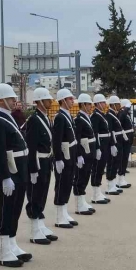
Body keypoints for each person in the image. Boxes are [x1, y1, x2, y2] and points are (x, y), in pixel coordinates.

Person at [0, 83, 32, 265]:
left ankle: (12, 244)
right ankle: (3, 251)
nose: (15, 100)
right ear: (0, 100)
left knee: (15, 209)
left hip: (18, 171)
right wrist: (5, 177)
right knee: (6, 210)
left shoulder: (9, 118)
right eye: (11, 97)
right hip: (9, 173)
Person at [23, 88, 57, 245]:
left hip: (46, 161)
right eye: (48, 99)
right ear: (39, 102)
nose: (50, 101)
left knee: (42, 194)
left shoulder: (46, 118)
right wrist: (33, 169)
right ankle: (35, 231)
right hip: (38, 162)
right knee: (35, 196)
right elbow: (31, 146)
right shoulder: (34, 120)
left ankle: (41, 225)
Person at [52, 88, 79, 228]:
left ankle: (64, 212)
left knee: (68, 184)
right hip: (64, 156)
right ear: (62, 101)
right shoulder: (59, 117)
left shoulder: (68, 115)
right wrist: (58, 158)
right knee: (61, 185)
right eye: (69, 99)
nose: (72, 101)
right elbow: (56, 140)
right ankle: (59, 216)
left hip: (71, 155)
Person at [73, 94, 98, 216]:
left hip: (89, 152)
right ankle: (79, 205)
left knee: (86, 176)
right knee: (80, 178)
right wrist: (78, 155)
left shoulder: (87, 117)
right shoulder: (78, 119)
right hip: (83, 152)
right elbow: (76, 139)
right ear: (82, 105)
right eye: (88, 104)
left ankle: (82, 201)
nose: (90, 107)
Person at [90, 94, 112, 205]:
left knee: (101, 168)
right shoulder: (95, 116)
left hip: (105, 145)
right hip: (101, 145)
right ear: (98, 103)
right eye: (103, 102)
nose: (105, 104)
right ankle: (95, 194)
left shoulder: (101, 115)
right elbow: (95, 133)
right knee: (97, 169)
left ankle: (98, 191)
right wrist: (97, 148)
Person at [105, 96, 124, 194]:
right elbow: (111, 131)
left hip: (118, 142)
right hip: (114, 142)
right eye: (118, 104)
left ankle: (113, 184)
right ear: (113, 105)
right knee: (112, 163)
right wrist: (112, 144)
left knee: (116, 163)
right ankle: (109, 185)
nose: (119, 106)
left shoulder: (114, 114)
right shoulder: (109, 115)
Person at [117, 99, 134, 188]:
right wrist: (125, 109)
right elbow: (121, 120)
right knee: (123, 159)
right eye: (128, 106)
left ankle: (122, 178)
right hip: (124, 139)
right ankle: (120, 178)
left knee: (125, 159)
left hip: (128, 138)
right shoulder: (121, 113)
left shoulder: (126, 114)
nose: (129, 108)